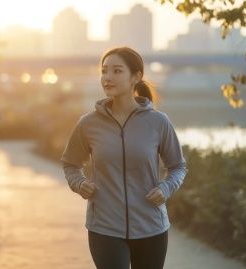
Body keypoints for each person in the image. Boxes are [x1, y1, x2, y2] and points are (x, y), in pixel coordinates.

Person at [61, 47, 187, 269]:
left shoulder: (158, 122)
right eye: (104, 71)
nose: (108, 77)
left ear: (136, 77)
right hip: (104, 227)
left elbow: (177, 166)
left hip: (151, 226)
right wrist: (79, 183)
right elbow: (71, 164)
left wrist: (166, 188)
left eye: (117, 71)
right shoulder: (88, 124)